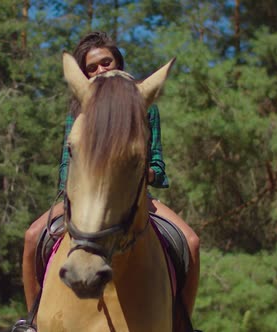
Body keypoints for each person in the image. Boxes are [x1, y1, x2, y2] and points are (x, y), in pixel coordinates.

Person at [21, 31, 200, 324]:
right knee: (31, 238)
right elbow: (68, 165)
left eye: (106, 62)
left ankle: (181, 323)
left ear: (118, 62)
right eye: (92, 67)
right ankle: (30, 323)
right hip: (82, 196)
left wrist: (140, 171)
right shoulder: (77, 111)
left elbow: (157, 164)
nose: (101, 70)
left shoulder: (145, 108)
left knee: (191, 242)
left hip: (135, 196)